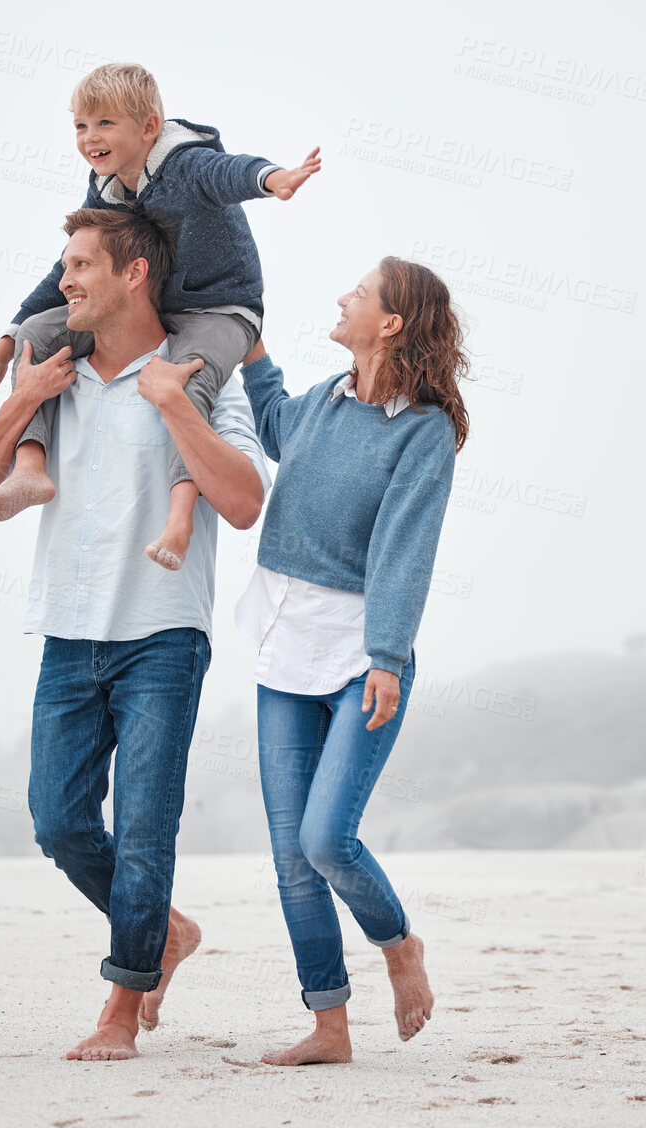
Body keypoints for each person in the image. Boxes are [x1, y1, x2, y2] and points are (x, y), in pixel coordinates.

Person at [0, 206, 271, 1062]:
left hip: (161, 633)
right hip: (66, 629)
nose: (64, 281)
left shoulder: (203, 372)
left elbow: (243, 503)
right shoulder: (53, 372)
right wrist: (22, 394)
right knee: (57, 821)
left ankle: (120, 1009)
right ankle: (163, 931)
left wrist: (175, 406)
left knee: (142, 829)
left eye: (81, 264)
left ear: (134, 273)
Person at [234, 257, 470, 1065]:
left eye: (358, 293)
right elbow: (271, 424)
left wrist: (386, 656)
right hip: (284, 647)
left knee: (327, 838)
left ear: (392, 322)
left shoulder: (422, 430)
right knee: (291, 857)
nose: (341, 297)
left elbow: (406, 549)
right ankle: (328, 1026)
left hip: (362, 658)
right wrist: (250, 346)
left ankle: (398, 943)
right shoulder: (323, 404)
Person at [0, 61, 318, 573]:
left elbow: (228, 172)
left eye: (105, 123)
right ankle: (30, 468)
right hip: (166, 305)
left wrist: (272, 178)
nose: (90, 137)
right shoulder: (105, 187)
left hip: (221, 307)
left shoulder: (184, 164)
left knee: (183, 383)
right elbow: (67, 267)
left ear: (148, 127)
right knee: (39, 333)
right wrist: (5, 342)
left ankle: (180, 516)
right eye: (81, 125)